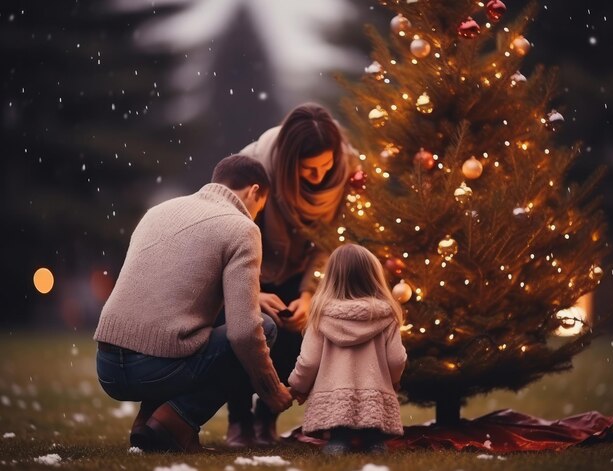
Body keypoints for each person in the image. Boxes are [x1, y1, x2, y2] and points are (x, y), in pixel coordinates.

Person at [93, 154, 292, 453]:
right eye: (259, 207)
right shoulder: (242, 228)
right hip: (153, 369)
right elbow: (244, 332)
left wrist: (251, 296)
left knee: (183, 328)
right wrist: (271, 389)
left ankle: (147, 423)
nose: (255, 215)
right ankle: (174, 424)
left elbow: (169, 290)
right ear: (254, 192)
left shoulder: (159, 211)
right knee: (264, 328)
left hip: (108, 366)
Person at [226, 103, 354, 447]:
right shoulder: (255, 168)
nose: (320, 177)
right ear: (287, 162)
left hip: (302, 270)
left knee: (296, 341)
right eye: (309, 170)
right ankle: (238, 418)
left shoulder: (348, 170)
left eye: (326, 166)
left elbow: (330, 239)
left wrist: (309, 293)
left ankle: (267, 417)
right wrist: (251, 291)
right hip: (251, 262)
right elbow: (231, 232)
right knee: (244, 336)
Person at [288, 244, 407, 455]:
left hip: (335, 402)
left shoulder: (320, 315)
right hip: (374, 398)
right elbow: (397, 359)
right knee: (374, 439)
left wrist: (298, 385)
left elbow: (309, 361)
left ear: (331, 277)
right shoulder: (387, 315)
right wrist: (394, 379)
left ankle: (337, 443)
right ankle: (375, 444)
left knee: (337, 439)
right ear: (374, 277)